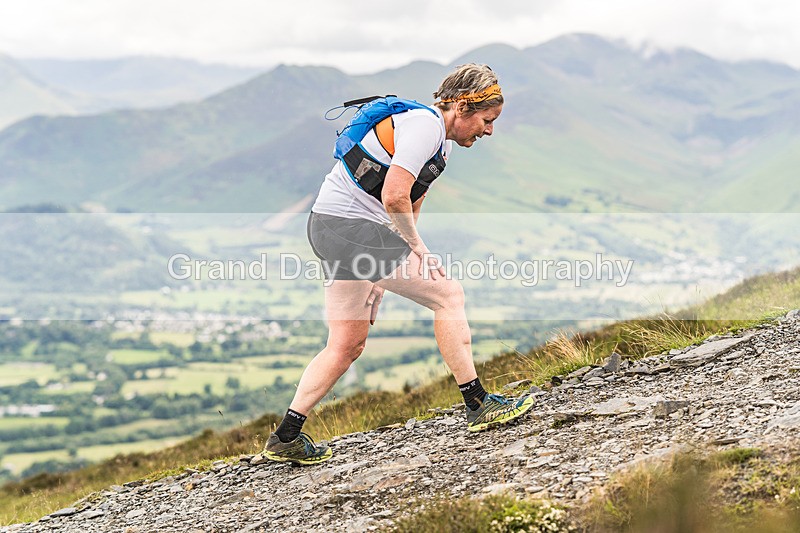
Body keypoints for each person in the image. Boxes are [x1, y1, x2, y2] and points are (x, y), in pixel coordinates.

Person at [263, 63, 533, 465]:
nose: (488, 130)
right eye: (486, 120)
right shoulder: (424, 126)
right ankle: (478, 404)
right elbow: (393, 196)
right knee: (448, 294)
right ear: (461, 106)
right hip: (349, 230)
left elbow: (411, 200)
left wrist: (383, 274)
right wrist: (417, 250)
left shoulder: (439, 145)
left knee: (346, 344)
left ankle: (286, 437)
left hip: (332, 229)